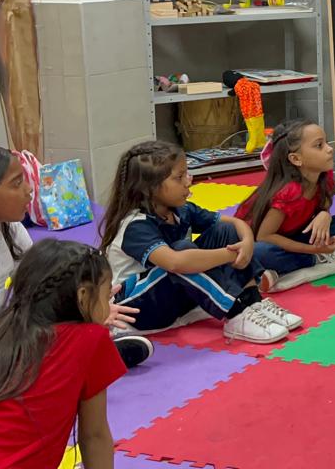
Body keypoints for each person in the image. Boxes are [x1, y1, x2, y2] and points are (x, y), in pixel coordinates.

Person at [101, 140, 298, 345]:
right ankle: (236, 314)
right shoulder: (135, 225)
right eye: (179, 177)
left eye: (186, 173)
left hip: (175, 299)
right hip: (139, 310)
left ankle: (252, 302)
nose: (188, 181)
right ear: (150, 189)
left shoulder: (181, 210)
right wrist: (232, 254)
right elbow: (175, 262)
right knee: (182, 252)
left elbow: (234, 223)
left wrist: (247, 242)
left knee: (225, 230)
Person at [0, 144, 152, 367]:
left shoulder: (9, 226)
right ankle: (80, 355)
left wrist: (88, 303)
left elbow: (41, 278)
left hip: (2, 319)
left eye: (24, 179)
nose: (29, 189)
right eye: (16, 183)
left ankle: (78, 352)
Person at [0, 240, 125, 469]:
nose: (109, 306)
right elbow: (95, 436)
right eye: (108, 296)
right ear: (83, 295)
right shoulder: (91, 338)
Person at [235, 120, 335, 286]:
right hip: (258, 242)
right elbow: (264, 236)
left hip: (292, 233)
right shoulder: (289, 192)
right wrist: (314, 250)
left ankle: (284, 267)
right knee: (262, 253)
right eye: (319, 145)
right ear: (296, 159)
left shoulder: (325, 175)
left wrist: (325, 215)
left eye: (326, 142)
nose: (330, 149)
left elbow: (323, 205)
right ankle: (314, 258)